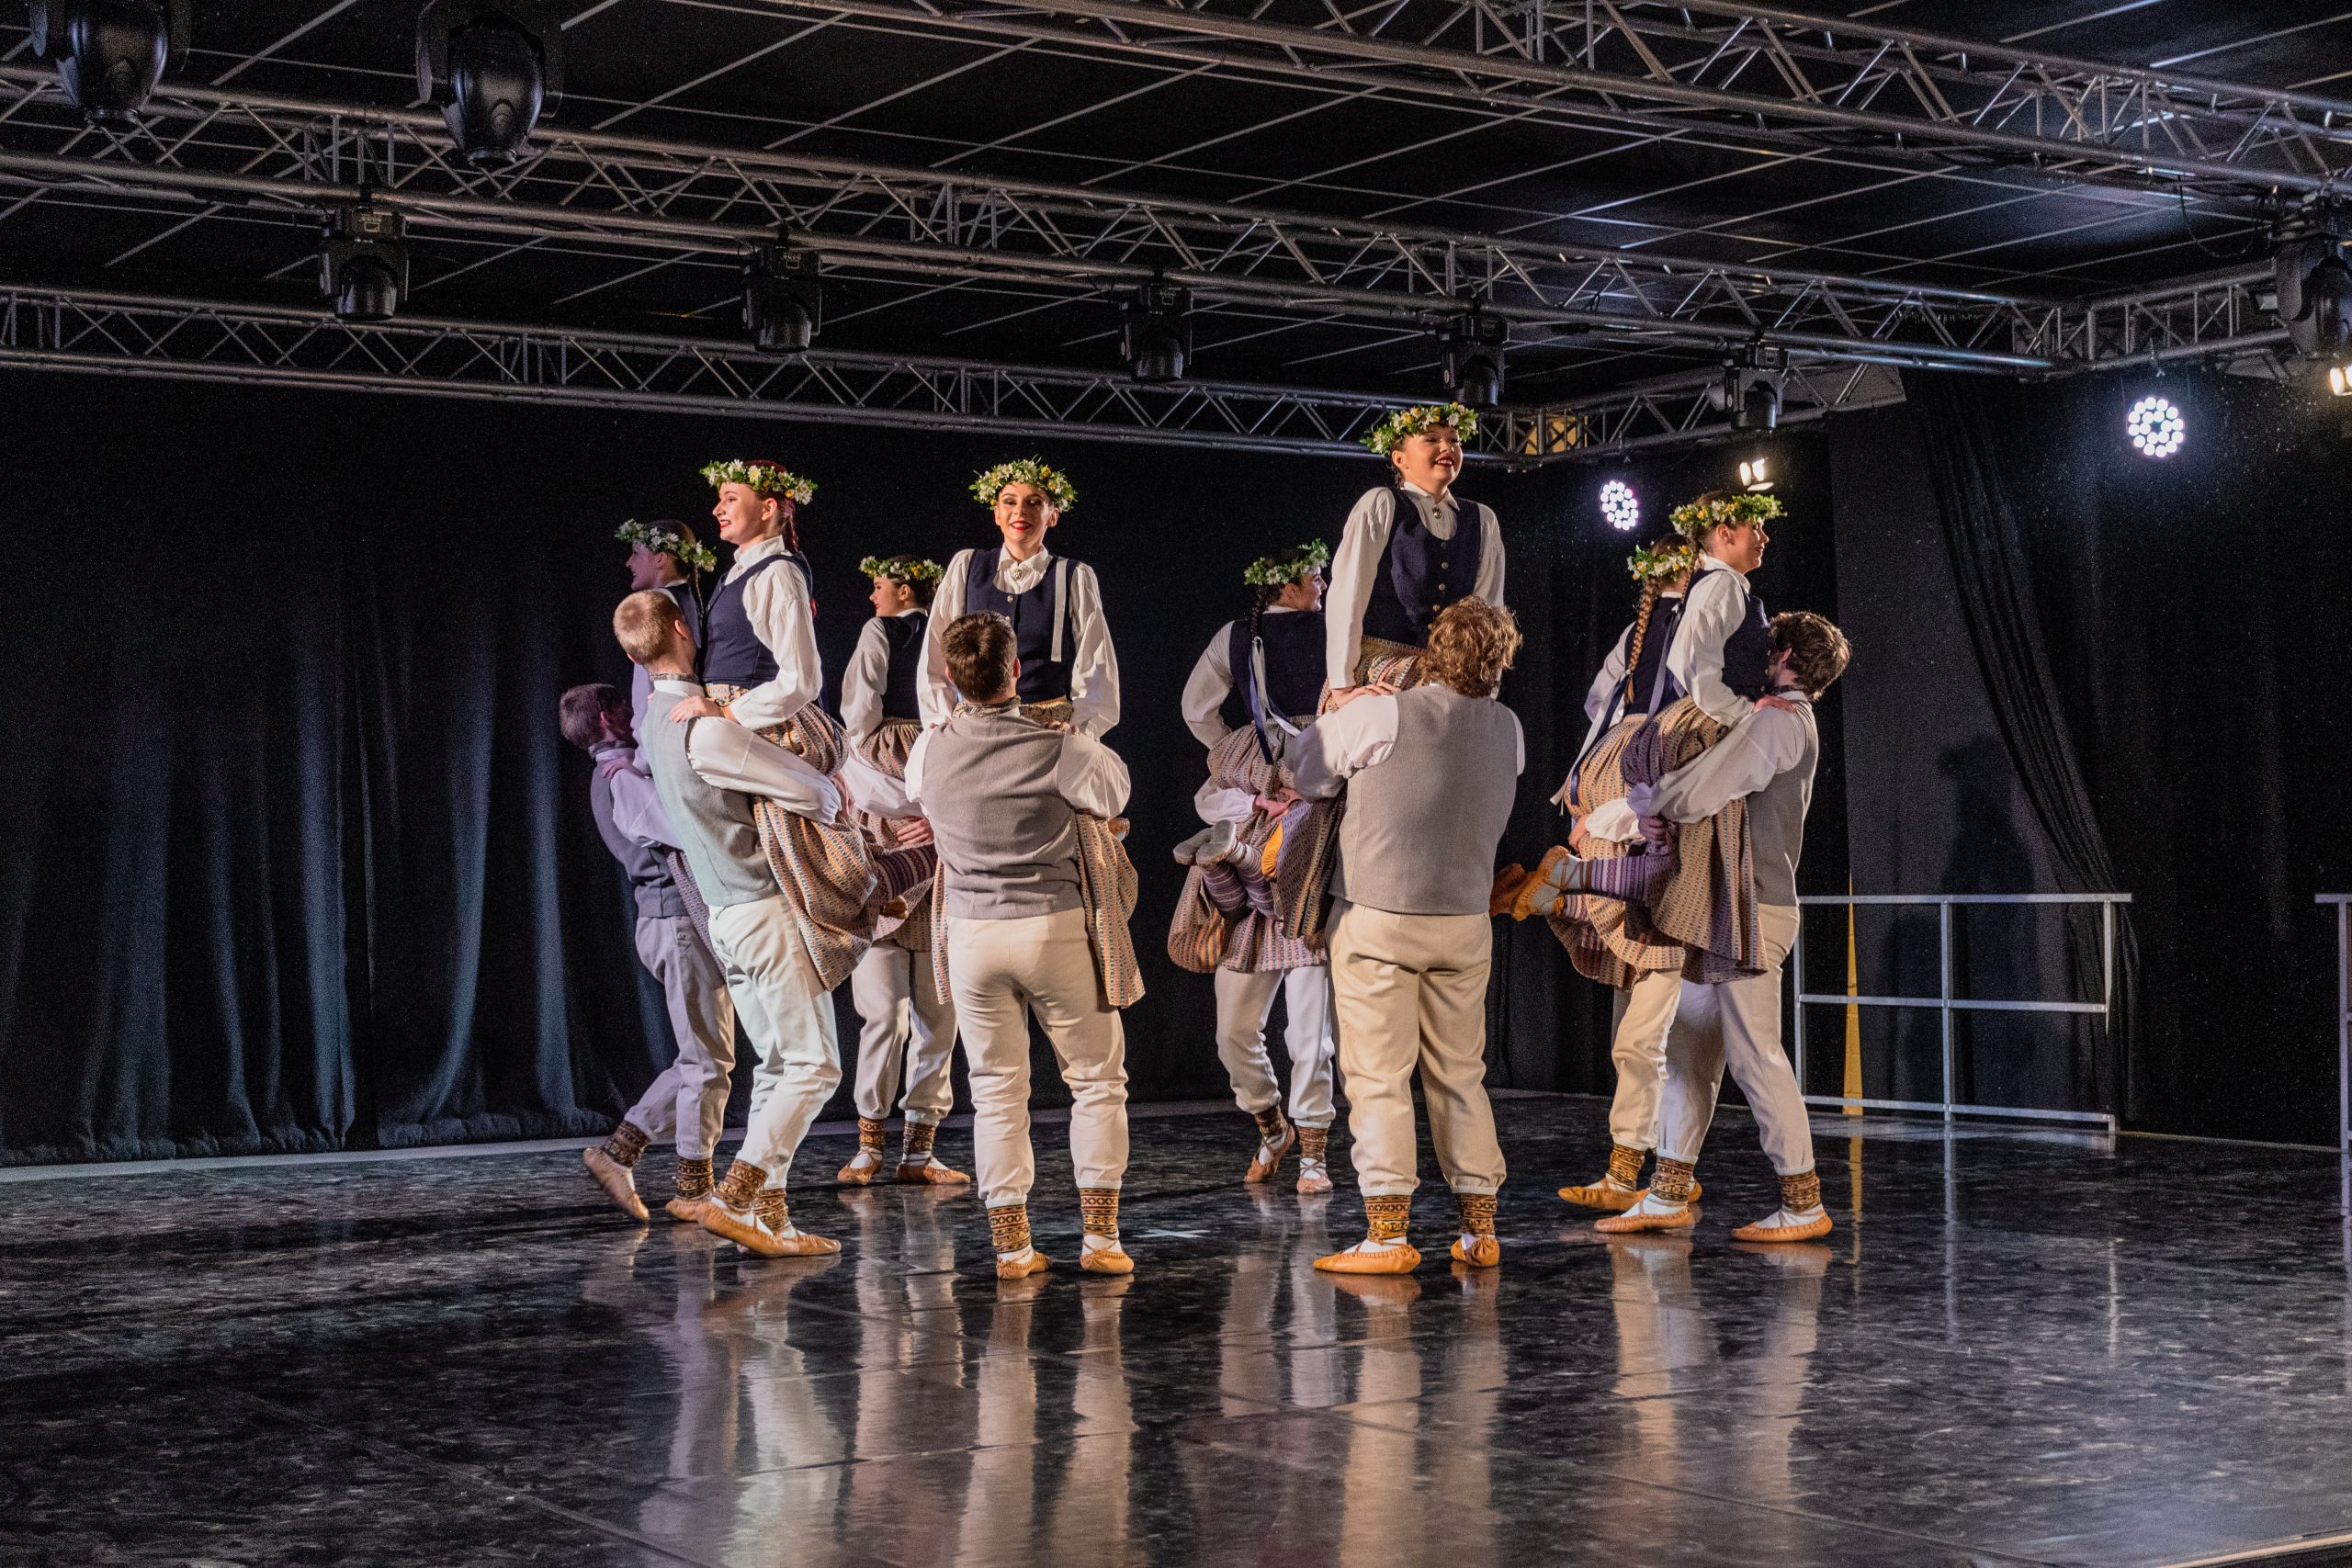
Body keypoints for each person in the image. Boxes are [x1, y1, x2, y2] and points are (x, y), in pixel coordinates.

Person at [1589, 612, 1850, 1244]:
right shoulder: (1774, 716)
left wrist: (1648, 801)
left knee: (1756, 1056)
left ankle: (1803, 1200)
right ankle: (1667, 1192)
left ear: (1784, 655)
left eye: (1768, 647)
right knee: (1689, 1052)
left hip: (1752, 911)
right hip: (1726, 909)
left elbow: (1713, 781)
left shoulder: (1778, 721)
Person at [1288, 598, 1524, 1275]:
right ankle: (1479, 1228)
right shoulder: (1509, 728)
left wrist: (1342, 708)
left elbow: (1306, 773)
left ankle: (1388, 1233)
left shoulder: (1383, 714)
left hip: (1380, 917)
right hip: (1464, 922)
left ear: (1433, 649)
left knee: (1378, 1076)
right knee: (1461, 1075)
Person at [616, 588, 850, 1258]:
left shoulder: (652, 725)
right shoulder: (706, 729)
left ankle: (769, 1220)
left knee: (777, 1066)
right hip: (760, 907)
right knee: (815, 1066)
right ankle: (735, 1196)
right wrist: (827, 787)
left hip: (724, 915)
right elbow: (816, 791)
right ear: (683, 628)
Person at [909, 612, 1137, 1279]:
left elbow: (914, 800)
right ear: (1015, 670)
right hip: (1051, 926)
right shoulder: (1061, 748)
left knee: (995, 1091)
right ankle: (1101, 1240)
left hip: (971, 935)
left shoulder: (927, 751)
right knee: (1096, 1082)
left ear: (950, 676)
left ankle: (1012, 1246)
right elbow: (1117, 789)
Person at [1542, 537, 1708, 1213]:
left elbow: (1666, 800)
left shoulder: (1680, 726)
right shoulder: (1633, 689)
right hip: (1632, 879)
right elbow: (1601, 703)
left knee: (1649, 1043)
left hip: (1674, 891)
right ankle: (1650, 1171)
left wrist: (1602, 817)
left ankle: (1643, 1173)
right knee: (1638, 1041)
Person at [1170, 540, 1339, 1194]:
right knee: (1234, 1031)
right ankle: (1272, 1124)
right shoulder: (1244, 634)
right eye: (1314, 574)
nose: (1322, 583)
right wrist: (1242, 757)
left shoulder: (1325, 626)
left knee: (1309, 1026)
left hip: (1318, 817)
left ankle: (1315, 1151)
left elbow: (1197, 709)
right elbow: (1196, 705)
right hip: (1274, 791)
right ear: (1285, 581)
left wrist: (1248, 750)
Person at [674, 458, 877, 997]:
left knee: (800, 864)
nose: (717, 509)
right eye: (719, 498)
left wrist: (728, 714)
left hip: (763, 723)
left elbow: (802, 679)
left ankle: (821, 952)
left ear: (768, 508)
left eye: (730, 498)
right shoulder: (738, 571)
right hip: (736, 717)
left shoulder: (778, 573)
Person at [561, 682, 738, 1223]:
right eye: (626, 706)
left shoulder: (628, 771)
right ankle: (690, 1187)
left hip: (676, 923)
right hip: (674, 923)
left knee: (706, 1059)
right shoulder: (619, 779)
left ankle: (624, 1154)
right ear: (608, 718)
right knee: (705, 1062)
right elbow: (681, 831)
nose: (637, 713)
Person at [835, 554, 967, 1187]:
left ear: (906, 588)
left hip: (925, 768)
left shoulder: (901, 631)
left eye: (879, 586)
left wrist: (939, 815)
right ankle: (871, 1140)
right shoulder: (886, 633)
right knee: (887, 1011)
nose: (872, 597)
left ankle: (919, 1148)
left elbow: (860, 709)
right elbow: (859, 726)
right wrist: (909, 808)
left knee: (937, 1010)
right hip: (902, 787)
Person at [921, 458, 1119, 737]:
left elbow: (1096, 667)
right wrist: (943, 721)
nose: (1020, 511)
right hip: (976, 727)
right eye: (1010, 502)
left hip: (1045, 729)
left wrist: (1079, 731)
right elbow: (935, 655)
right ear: (996, 514)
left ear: (1053, 515)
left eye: (1034, 502)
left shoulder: (1074, 576)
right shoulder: (966, 566)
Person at [1324, 402, 1506, 701]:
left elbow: (1487, 612)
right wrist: (1343, 685)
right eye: (1431, 439)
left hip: (1450, 678)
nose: (1447, 446)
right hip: (1381, 674)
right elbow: (1348, 594)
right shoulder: (1381, 504)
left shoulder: (1482, 519)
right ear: (1400, 459)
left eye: (1454, 440)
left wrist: (1486, 684)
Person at [613, 518, 714, 742]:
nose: (629, 562)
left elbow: (646, 683)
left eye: (636, 553)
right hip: (690, 721)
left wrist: (642, 750)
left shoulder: (656, 605)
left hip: (665, 726)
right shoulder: (689, 600)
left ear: (660, 558)